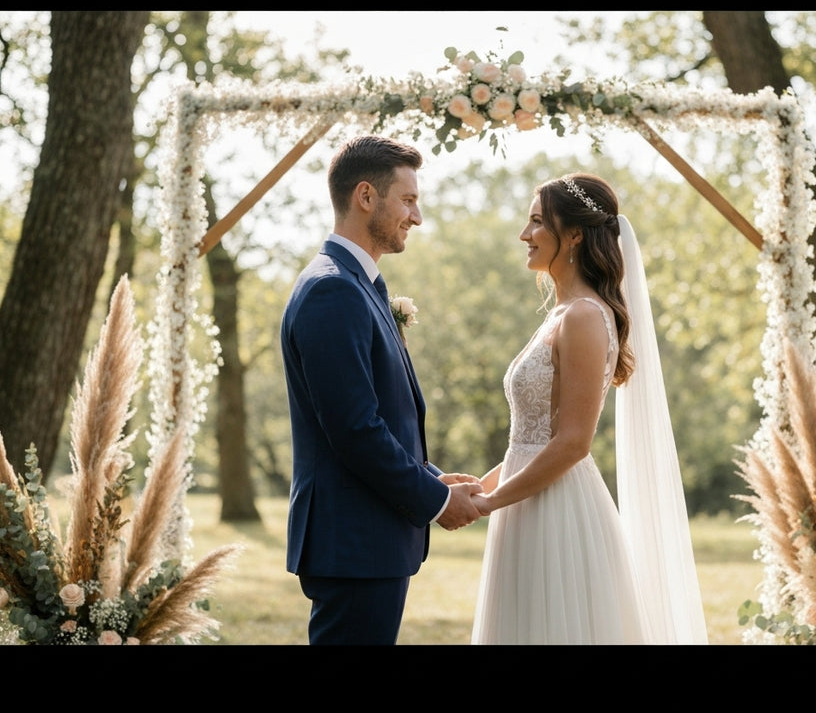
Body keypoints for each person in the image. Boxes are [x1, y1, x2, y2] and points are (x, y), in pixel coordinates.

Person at [469, 172, 708, 644]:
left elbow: (573, 443)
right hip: (525, 501)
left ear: (574, 233)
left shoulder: (582, 316)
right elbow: (532, 438)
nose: (524, 235)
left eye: (537, 222)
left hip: (556, 511)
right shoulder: (563, 314)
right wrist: (479, 486)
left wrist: (491, 502)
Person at [280, 134, 483, 645]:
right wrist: (435, 500)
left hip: (367, 539)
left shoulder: (360, 285)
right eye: (408, 200)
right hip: (353, 543)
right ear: (366, 197)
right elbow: (354, 431)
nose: (416, 217)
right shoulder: (332, 290)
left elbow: (374, 417)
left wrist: (430, 473)